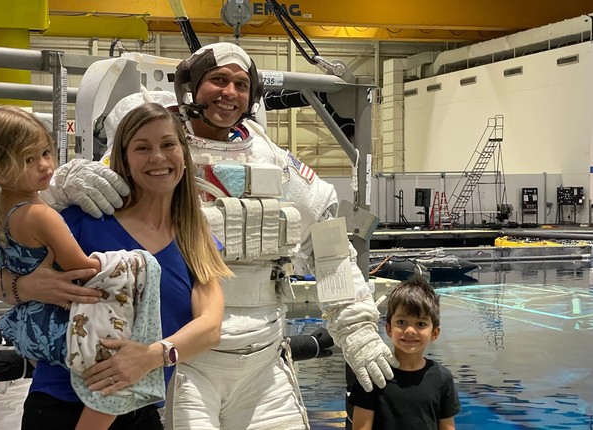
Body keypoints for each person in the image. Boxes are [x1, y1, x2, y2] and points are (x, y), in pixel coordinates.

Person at [28, 42, 396, 429]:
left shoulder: (271, 158)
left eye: (240, 84)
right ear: (190, 87)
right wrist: (64, 183)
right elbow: (53, 214)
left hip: (264, 357)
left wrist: (356, 325)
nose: (230, 93)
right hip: (185, 361)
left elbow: (329, 242)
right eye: (218, 80)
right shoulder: (158, 151)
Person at [0, 102, 229, 429]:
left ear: (183, 153)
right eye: (142, 148)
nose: (158, 158)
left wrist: (153, 355)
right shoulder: (83, 221)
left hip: (139, 408)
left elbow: (211, 327)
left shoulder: (196, 239)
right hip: (62, 406)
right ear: (123, 158)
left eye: (168, 145)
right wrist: (26, 286)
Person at [0, 105, 167, 430]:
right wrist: (135, 260)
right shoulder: (42, 214)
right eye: (28, 160)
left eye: (46, 153)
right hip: (71, 349)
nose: (46, 166)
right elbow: (85, 269)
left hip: (32, 336)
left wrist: (25, 279)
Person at [349, 275, 460, 429]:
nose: (409, 330)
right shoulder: (374, 376)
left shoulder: (442, 378)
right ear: (388, 328)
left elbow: (447, 426)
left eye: (420, 324)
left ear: (434, 333)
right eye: (401, 322)